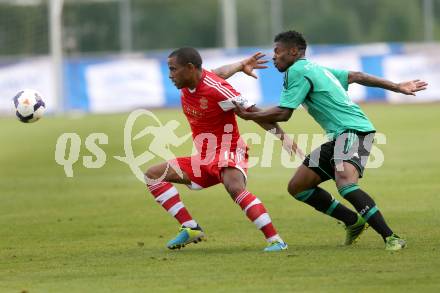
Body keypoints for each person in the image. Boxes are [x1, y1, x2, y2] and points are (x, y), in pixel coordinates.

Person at [223, 30, 427, 251]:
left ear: (293, 52)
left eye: (277, 51)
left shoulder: (297, 71)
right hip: (340, 135)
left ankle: (391, 237)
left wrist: (249, 115)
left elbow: (284, 113)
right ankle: (353, 221)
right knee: (298, 187)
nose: (274, 57)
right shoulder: (315, 68)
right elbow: (357, 75)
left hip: (353, 131)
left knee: (345, 182)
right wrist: (396, 86)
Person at [144, 47, 291, 251]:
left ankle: (276, 241)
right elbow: (216, 73)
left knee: (234, 188)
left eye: (173, 69)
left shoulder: (218, 89)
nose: (170, 75)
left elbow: (255, 112)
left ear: (189, 68)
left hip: (228, 151)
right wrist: (240, 65)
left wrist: (284, 138)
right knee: (153, 175)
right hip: (203, 158)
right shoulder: (190, 83)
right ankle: (190, 227)